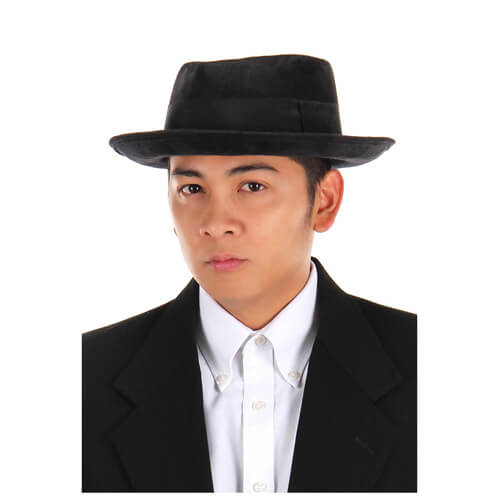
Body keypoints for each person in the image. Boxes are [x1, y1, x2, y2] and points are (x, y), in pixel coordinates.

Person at [82, 54, 417, 493]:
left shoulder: (426, 365)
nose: (215, 222)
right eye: (192, 188)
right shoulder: (84, 377)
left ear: (324, 201)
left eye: (252, 186)